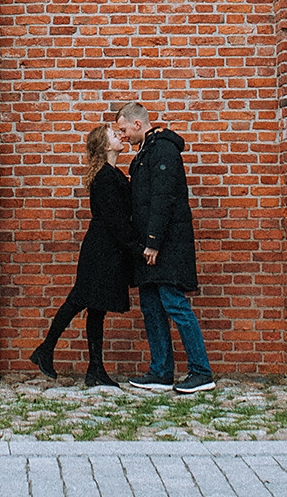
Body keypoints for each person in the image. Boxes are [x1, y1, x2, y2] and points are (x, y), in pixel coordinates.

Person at [116, 100, 215, 393]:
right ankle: (161, 372)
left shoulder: (163, 150)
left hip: (166, 245)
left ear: (137, 124)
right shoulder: (146, 152)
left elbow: (164, 197)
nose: (122, 135)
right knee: (150, 306)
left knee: (174, 304)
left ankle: (201, 372)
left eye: (124, 129)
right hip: (150, 246)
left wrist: (153, 242)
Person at [28, 123, 136, 387]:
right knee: (80, 300)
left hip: (106, 248)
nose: (119, 136)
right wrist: (137, 247)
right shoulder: (105, 177)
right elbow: (115, 220)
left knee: (96, 308)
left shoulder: (112, 173)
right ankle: (46, 349)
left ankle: (95, 370)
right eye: (113, 134)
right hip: (101, 250)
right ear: (105, 146)